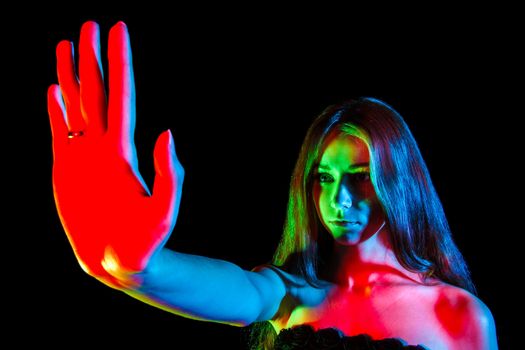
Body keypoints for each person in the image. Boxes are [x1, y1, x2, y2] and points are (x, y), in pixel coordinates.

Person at [47, 20, 498, 350]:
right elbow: (241, 290)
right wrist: (139, 269)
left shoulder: (459, 316)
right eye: (324, 178)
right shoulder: (289, 295)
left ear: (399, 184)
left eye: (360, 178)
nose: (337, 199)